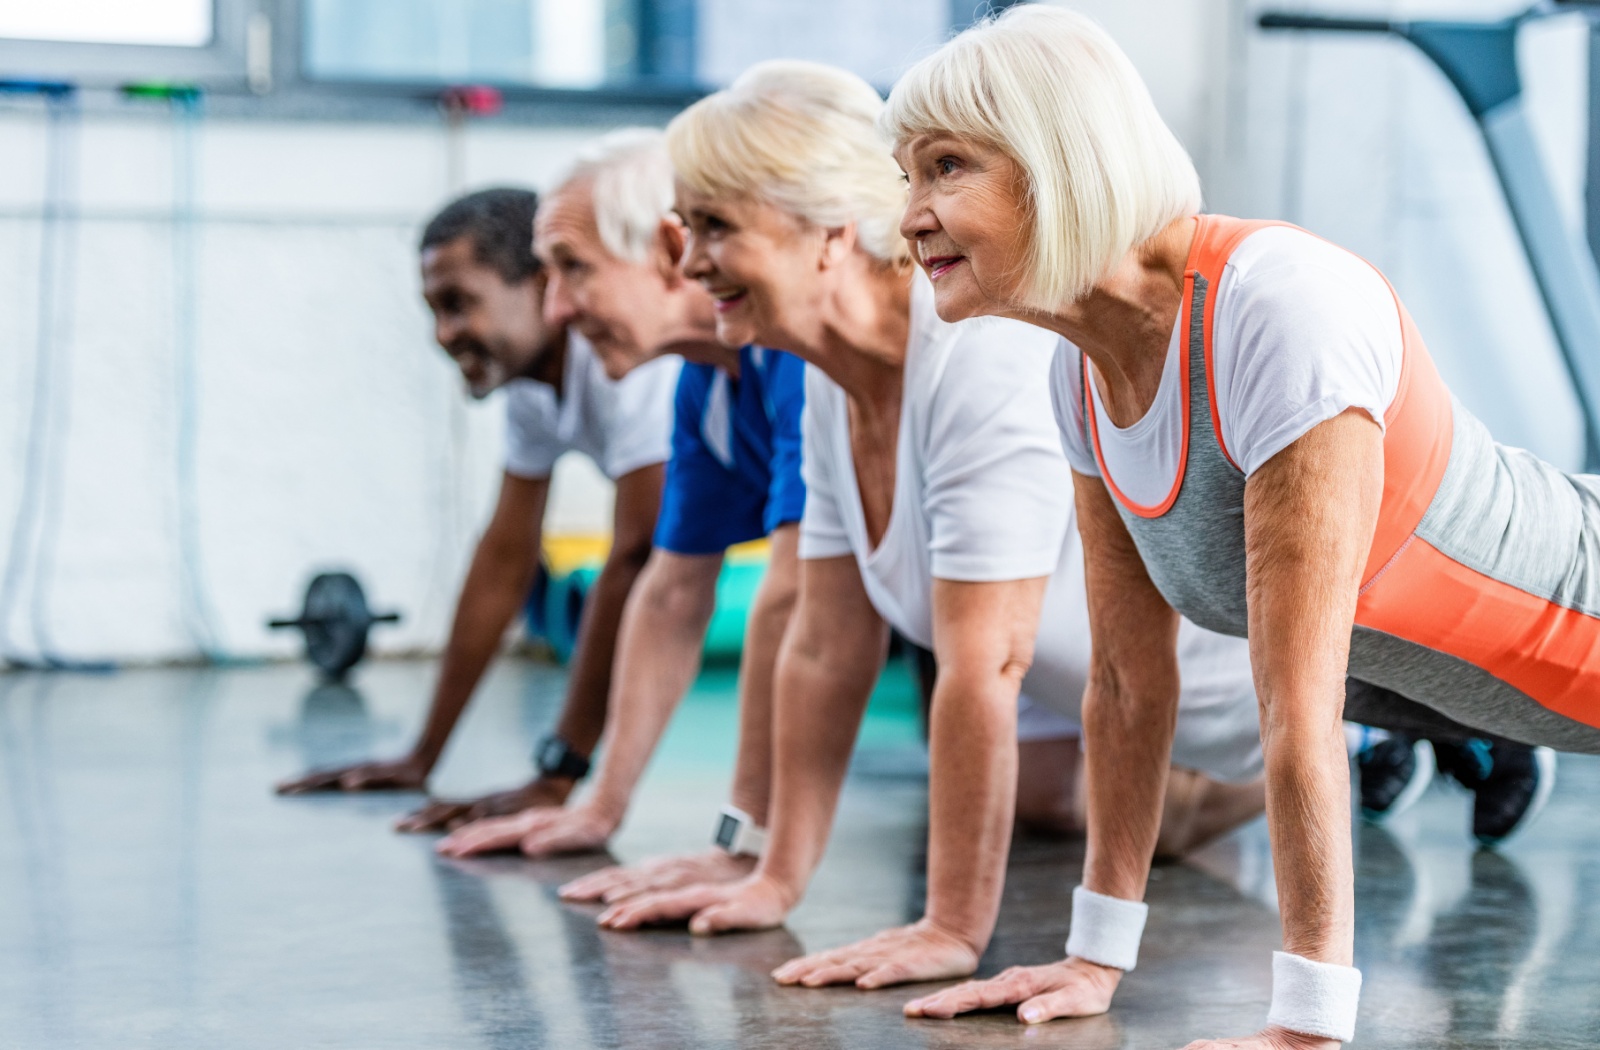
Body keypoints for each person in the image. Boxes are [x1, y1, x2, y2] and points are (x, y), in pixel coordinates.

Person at [877, 7, 1597, 1048]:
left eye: (944, 168)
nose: (909, 215)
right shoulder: (1080, 377)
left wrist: (1306, 1025)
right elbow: (1128, 688)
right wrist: (1094, 956)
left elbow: (1294, 705)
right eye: (906, 175)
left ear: (1056, 159)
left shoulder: (1278, 308)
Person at [573, 61, 1268, 994]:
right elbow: (825, 646)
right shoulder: (827, 380)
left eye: (715, 228)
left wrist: (951, 926)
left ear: (826, 231)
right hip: (1140, 720)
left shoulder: (977, 354)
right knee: (1057, 798)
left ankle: (1398, 748)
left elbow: (986, 665)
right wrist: (771, 869)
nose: (690, 264)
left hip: (1258, 713)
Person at [435, 132, 808, 897]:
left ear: (670, 252)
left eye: (574, 271)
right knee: (1045, 801)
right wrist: (600, 804)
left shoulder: (790, 361)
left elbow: (792, 600)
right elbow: (670, 593)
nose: (559, 307)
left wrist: (751, 851)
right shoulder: (700, 388)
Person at [276, 188, 680, 832]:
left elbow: (636, 556)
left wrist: (556, 776)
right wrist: (422, 755)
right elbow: (503, 560)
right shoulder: (533, 383)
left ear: (545, 287)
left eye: (460, 305)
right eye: (433, 310)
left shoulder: (627, 364)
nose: (444, 334)